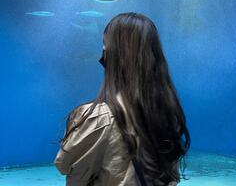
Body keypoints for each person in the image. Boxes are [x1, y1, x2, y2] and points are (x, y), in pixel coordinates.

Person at [54, 12, 191, 186]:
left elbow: (67, 167)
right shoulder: (166, 113)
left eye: (105, 45)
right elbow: (172, 177)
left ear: (115, 54)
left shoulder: (99, 117)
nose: (102, 53)